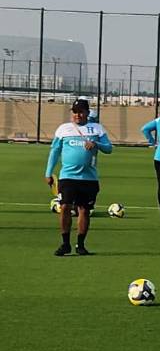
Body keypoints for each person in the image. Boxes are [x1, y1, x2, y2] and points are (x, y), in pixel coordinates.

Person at [44, 98, 112, 256]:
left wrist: (96, 145)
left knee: (84, 210)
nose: (77, 115)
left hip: (89, 178)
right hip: (67, 176)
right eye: (75, 112)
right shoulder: (64, 129)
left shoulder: (97, 128)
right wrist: (48, 172)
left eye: (81, 111)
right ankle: (65, 243)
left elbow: (109, 148)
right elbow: (54, 151)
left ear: (87, 112)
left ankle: (80, 245)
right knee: (65, 207)